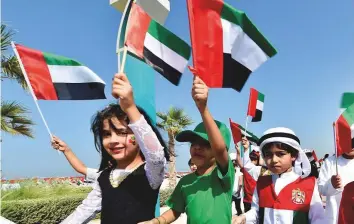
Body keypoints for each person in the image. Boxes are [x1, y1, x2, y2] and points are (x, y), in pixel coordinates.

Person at [59, 73, 170, 224]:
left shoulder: (151, 173)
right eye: (106, 134)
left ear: (138, 136)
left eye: (122, 132)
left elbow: (156, 155)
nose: (113, 140)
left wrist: (130, 108)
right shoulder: (104, 177)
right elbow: (84, 212)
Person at [139, 76, 234, 224]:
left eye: (206, 144)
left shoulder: (223, 175)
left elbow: (220, 150)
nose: (197, 147)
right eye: (193, 143)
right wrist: (157, 222)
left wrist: (203, 109)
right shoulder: (185, 182)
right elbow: (176, 209)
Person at [232, 127, 325, 224]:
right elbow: (256, 212)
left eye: (280, 154)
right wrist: (243, 217)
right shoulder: (262, 183)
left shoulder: (308, 184)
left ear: (293, 155)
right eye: (268, 154)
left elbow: (318, 219)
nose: (274, 160)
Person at [318, 149, 354, 224]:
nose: (350, 146)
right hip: (335, 216)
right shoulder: (330, 162)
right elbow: (321, 188)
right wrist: (331, 185)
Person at [235, 146, 270, 213]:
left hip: (247, 199)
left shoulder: (245, 169)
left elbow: (238, 161)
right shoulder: (262, 169)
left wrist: (238, 152)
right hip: (257, 200)